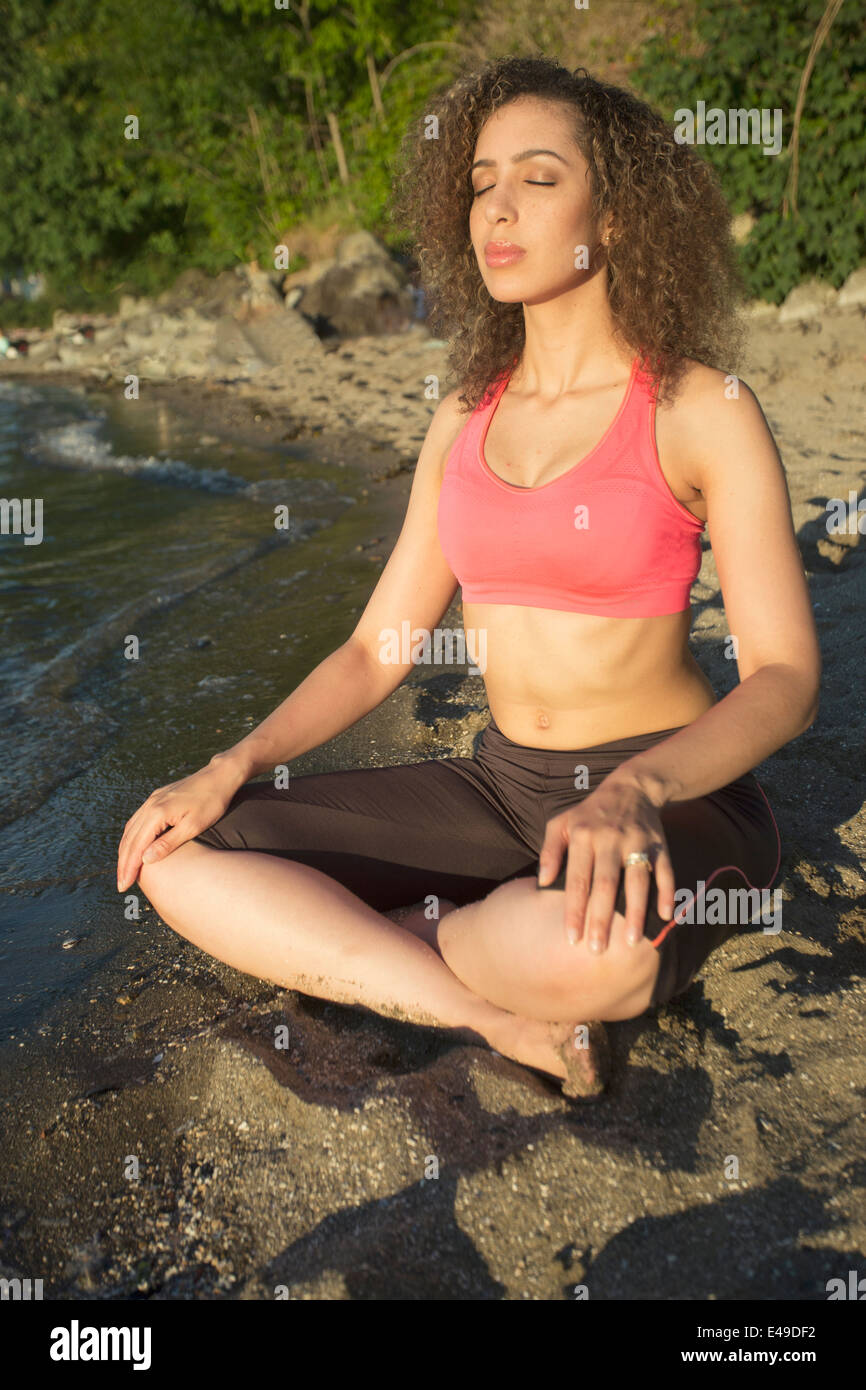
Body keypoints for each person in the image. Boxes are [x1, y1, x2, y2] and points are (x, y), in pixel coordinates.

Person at [117, 59, 820, 1098]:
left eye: (537, 179)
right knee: (177, 853)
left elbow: (782, 678)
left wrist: (633, 791)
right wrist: (233, 761)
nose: (496, 206)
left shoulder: (698, 408)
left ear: (614, 214)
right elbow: (377, 647)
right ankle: (477, 1005)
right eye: (481, 180)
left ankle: (375, 948)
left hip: (672, 796)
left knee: (605, 956)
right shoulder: (464, 416)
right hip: (495, 788)